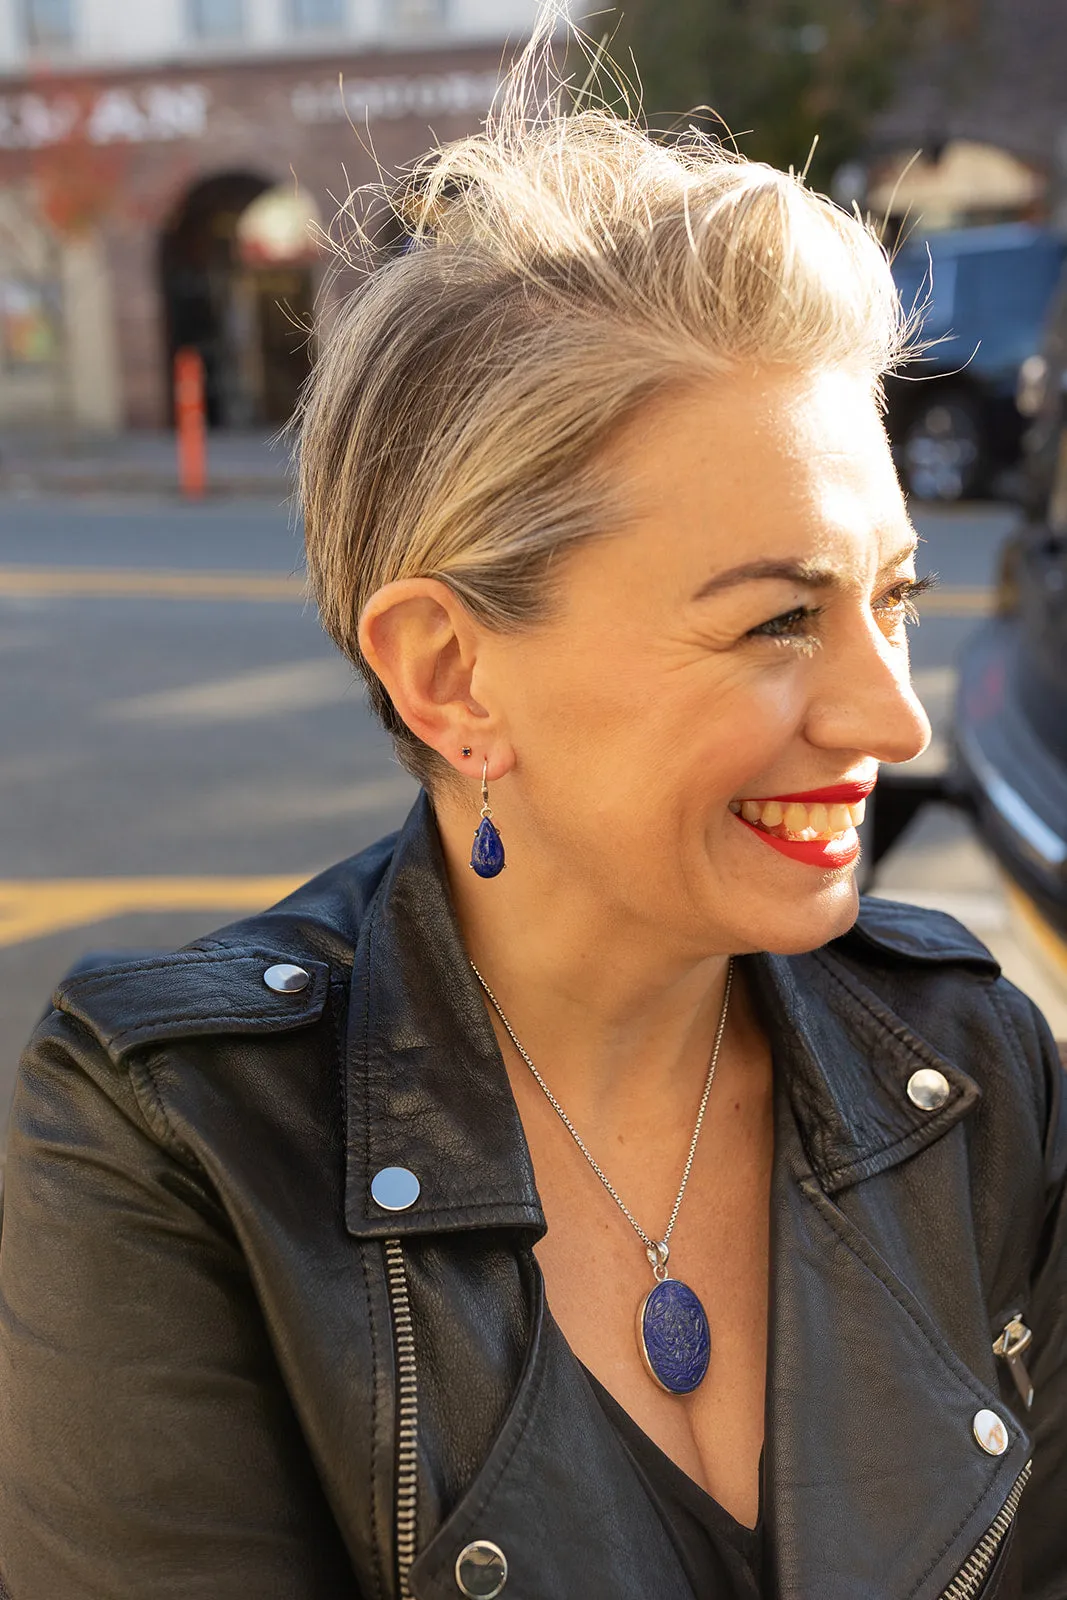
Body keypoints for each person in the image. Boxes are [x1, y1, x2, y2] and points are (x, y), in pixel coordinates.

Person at [2, 14, 1065, 1600]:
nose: (888, 716)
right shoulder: (188, 1141)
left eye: (891, 599)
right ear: (446, 675)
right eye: (776, 620)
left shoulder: (971, 1069)